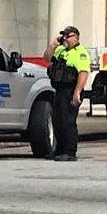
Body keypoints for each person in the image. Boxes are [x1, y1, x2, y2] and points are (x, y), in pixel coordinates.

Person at [43, 25, 90, 162]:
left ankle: (70, 152)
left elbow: (83, 73)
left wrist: (77, 92)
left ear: (76, 37)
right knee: (58, 120)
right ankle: (59, 151)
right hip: (59, 90)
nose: (65, 39)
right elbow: (46, 57)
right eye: (64, 36)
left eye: (67, 36)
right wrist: (53, 45)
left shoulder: (81, 52)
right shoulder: (61, 51)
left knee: (68, 121)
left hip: (71, 90)